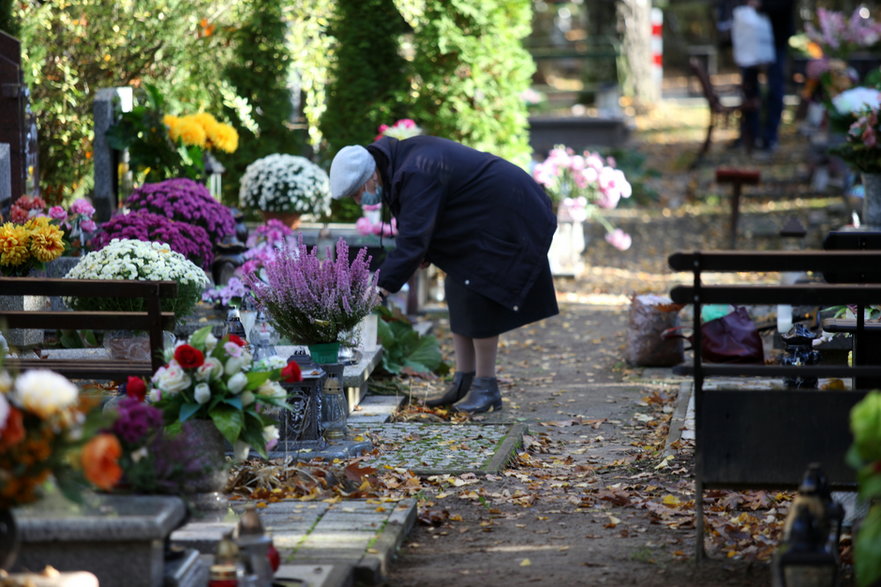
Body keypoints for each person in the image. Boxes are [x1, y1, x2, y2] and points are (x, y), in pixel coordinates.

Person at [329, 136, 559, 415]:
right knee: (458, 285)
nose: (358, 200)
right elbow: (422, 221)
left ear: (372, 175)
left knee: (478, 290)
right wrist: (424, 253)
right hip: (489, 211)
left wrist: (379, 288)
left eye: (357, 192)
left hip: (511, 210)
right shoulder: (400, 165)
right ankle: (465, 380)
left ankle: (486, 386)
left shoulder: (415, 169)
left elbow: (413, 240)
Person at [739, 0, 796, 154]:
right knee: (749, 87)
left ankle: (770, 137)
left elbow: (786, 5)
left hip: (777, 37)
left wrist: (761, 5)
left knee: (775, 88)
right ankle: (751, 134)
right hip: (751, 39)